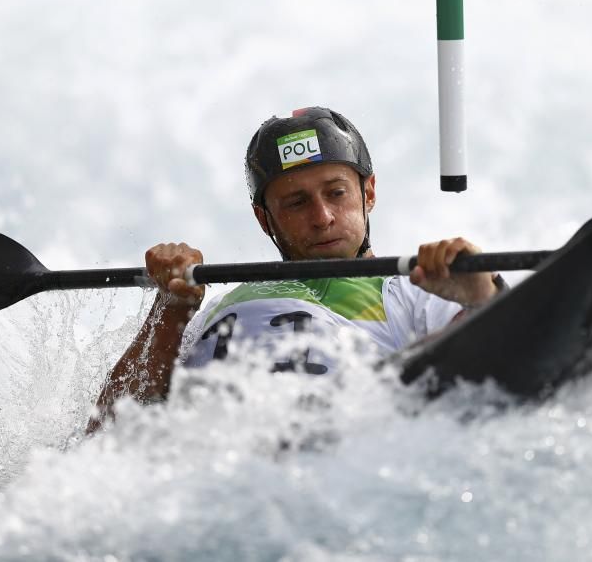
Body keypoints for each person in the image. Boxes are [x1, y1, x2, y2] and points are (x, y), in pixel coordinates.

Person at [86, 106, 504, 433]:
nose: (323, 217)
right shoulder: (215, 307)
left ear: (368, 192)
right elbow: (107, 435)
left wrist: (482, 294)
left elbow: (502, 363)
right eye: (297, 203)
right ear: (265, 220)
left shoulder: (419, 288)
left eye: (336, 193)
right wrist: (170, 311)